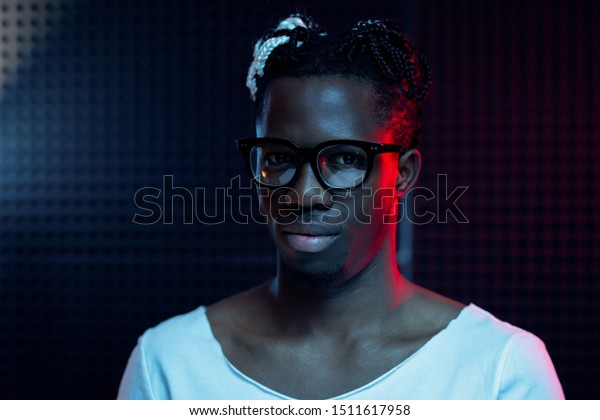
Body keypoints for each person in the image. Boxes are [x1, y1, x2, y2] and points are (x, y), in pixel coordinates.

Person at [117, 14, 564, 400]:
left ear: (403, 175)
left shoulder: (498, 370)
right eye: (279, 158)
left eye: (346, 159)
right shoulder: (168, 364)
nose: (306, 195)